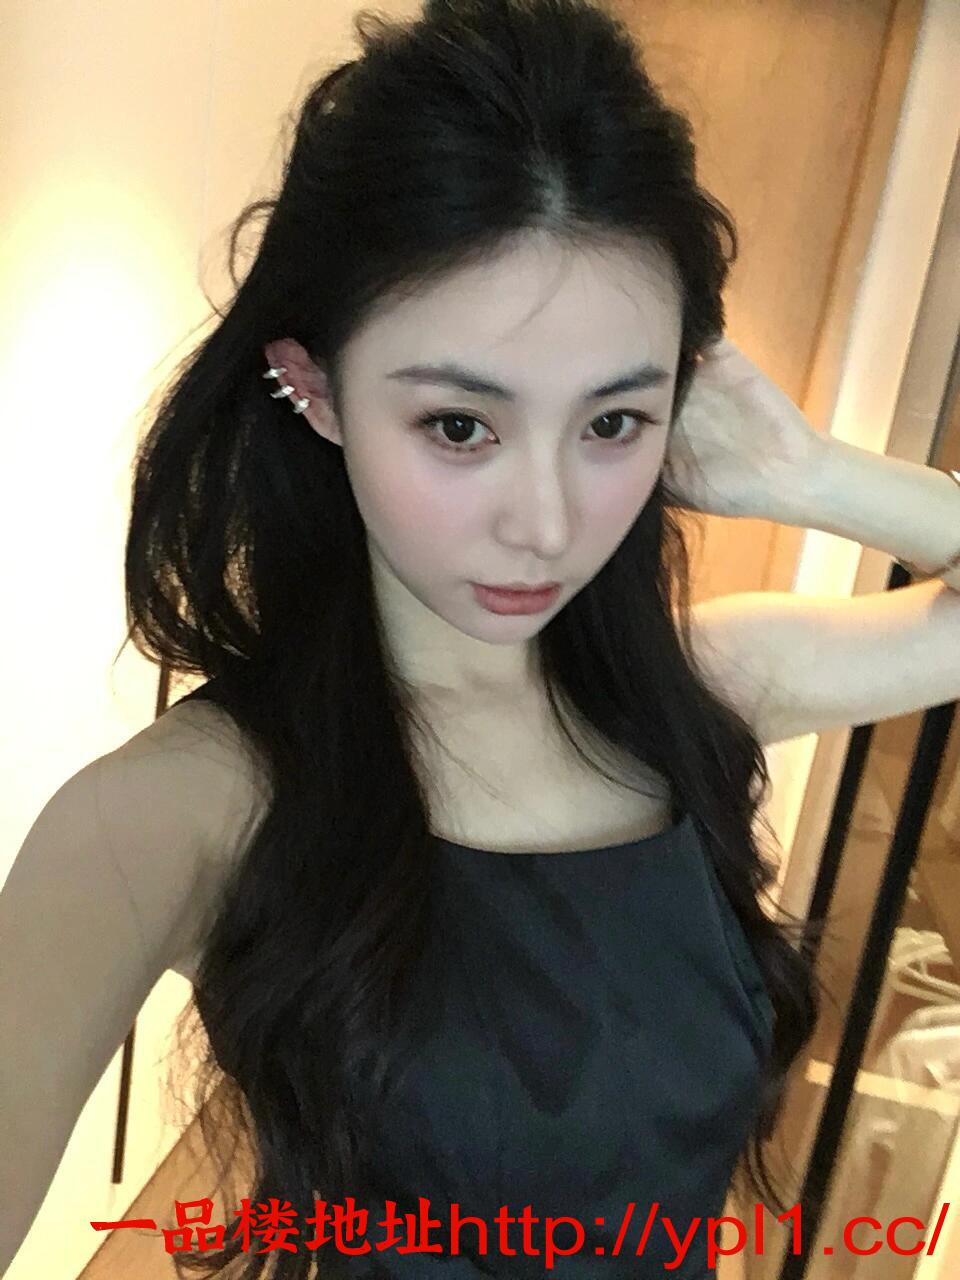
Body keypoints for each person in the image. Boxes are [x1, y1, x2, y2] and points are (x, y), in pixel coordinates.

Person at [3, 0, 960, 1276]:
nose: (548, 524)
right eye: (461, 426)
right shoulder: (178, 810)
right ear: (315, 387)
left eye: (612, 423)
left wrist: (814, 473)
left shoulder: (694, 695)